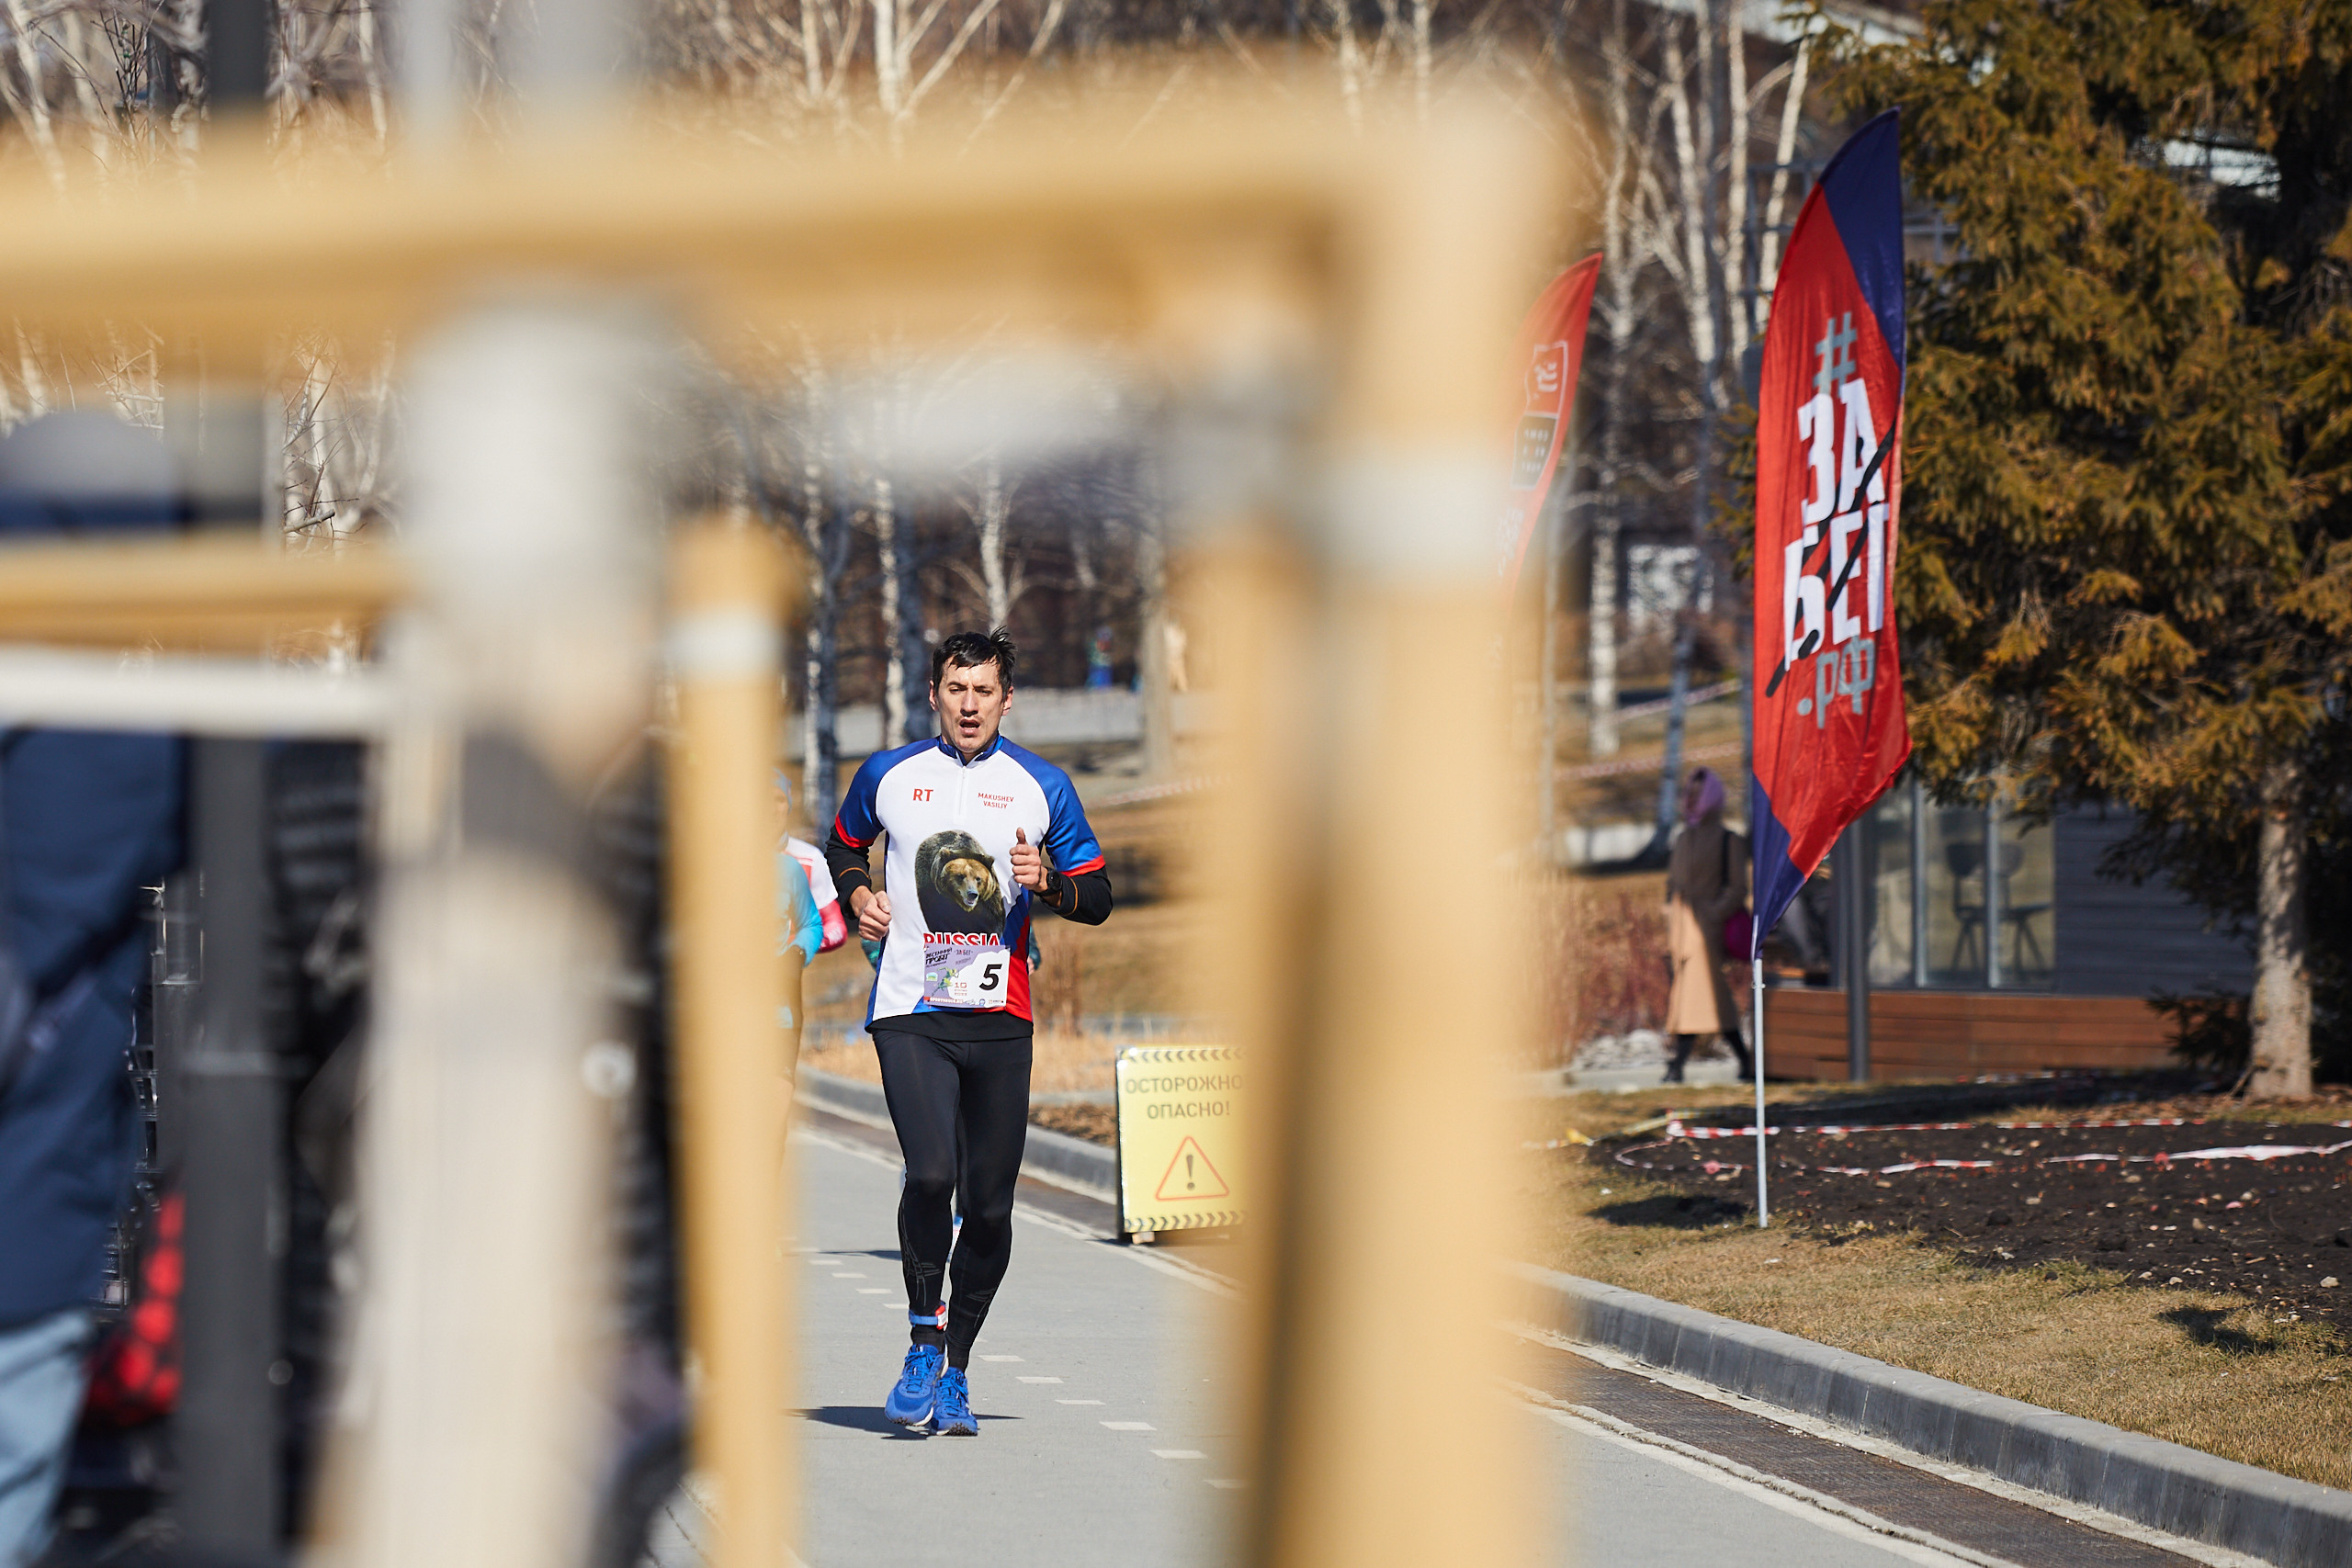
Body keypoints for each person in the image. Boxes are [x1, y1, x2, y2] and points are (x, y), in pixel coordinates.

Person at [825, 629, 1111, 1437]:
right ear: (935, 694)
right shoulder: (888, 774)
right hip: (911, 1009)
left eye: (985, 691)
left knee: (988, 1208)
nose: (971, 704)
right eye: (957, 689)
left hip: (1000, 1020)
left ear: (1007, 698)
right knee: (929, 1173)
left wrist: (1049, 881)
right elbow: (845, 844)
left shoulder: (1041, 785)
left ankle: (955, 1370)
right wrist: (857, 894)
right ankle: (922, 1338)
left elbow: (1099, 893)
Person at [1663, 766, 1755, 1085]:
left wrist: (1712, 914)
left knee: (1695, 994)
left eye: (1699, 792)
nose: (1692, 798)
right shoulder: (1684, 837)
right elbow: (1674, 884)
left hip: (1707, 931)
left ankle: (1677, 1066)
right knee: (1709, 997)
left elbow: (1738, 888)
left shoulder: (1728, 839)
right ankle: (1744, 1061)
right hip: (1683, 928)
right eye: (1690, 791)